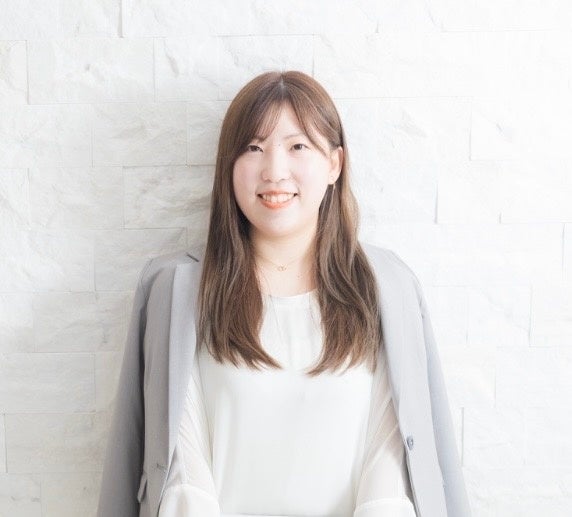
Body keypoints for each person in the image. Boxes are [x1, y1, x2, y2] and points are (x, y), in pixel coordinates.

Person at [97, 70, 471, 517]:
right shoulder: (176, 290)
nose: (274, 171)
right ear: (228, 165)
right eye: (253, 148)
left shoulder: (388, 287)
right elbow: (177, 471)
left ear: (334, 164)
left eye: (298, 147)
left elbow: (394, 466)